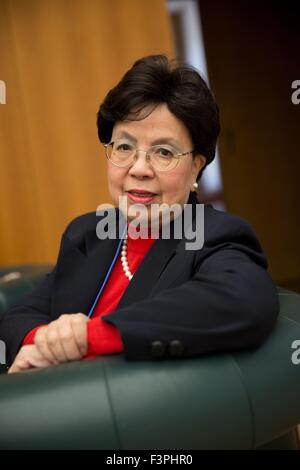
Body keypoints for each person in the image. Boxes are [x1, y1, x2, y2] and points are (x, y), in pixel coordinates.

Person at [0, 55, 279, 374]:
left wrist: (87, 339)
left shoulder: (213, 235)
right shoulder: (87, 234)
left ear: (195, 169)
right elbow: (19, 316)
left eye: (164, 152)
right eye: (124, 147)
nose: (139, 168)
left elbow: (244, 300)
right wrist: (42, 342)